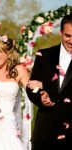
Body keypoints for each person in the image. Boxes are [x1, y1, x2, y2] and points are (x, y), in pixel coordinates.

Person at [26, 13, 72, 150]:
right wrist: (40, 96)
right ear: (61, 33)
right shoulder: (44, 55)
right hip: (44, 134)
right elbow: (31, 86)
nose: (71, 40)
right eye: (68, 36)